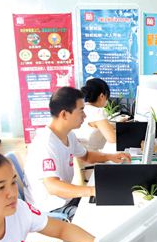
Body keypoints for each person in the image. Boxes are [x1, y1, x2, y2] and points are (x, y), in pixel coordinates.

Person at [24, 86, 131, 218]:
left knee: (116, 202)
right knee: (105, 216)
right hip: (51, 209)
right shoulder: (46, 143)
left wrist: (111, 156)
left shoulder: (68, 135)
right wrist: (93, 191)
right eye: (81, 110)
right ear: (64, 114)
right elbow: (52, 186)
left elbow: (87, 156)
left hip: (65, 200)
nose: (85, 116)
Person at [74, 78, 117, 151]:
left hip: (80, 153)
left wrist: (116, 125)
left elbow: (98, 125)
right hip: (89, 154)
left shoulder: (83, 108)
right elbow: (112, 138)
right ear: (102, 96)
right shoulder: (97, 111)